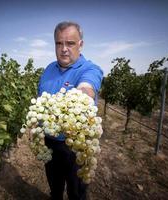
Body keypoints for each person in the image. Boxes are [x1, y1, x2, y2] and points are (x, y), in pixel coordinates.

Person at [37, 21, 103, 200]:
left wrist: (83, 94)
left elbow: (87, 87)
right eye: (59, 43)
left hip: (75, 147)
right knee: (55, 188)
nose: (64, 49)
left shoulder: (90, 69)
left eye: (70, 43)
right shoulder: (48, 70)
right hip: (50, 144)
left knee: (76, 193)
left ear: (80, 45)